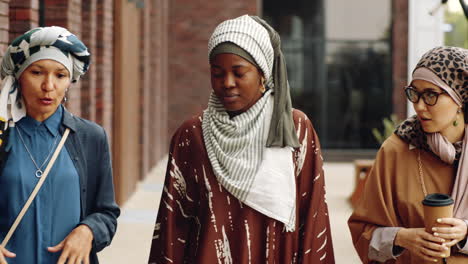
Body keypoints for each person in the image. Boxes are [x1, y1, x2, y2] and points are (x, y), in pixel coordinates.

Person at [148, 15, 334, 263]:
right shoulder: (192, 134)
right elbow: (173, 226)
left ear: (262, 74)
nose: (227, 83)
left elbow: (312, 216)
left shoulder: (293, 128)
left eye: (239, 73)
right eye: (217, 73)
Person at [0, 26, 120, 264]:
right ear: (19, 77)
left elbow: (107, 214)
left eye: (60, 75)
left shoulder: (90, 137)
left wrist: (88, 230)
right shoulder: (3, 134)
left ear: (69, 82)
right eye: (36, 72)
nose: (48, 86)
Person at [348, 46, 468, 263]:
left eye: (431, 95)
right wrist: (401, 238)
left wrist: (464, 234)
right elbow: (362, 232)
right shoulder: (395, 151)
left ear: (459, 98)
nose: (419, 106)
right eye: (414, 94)